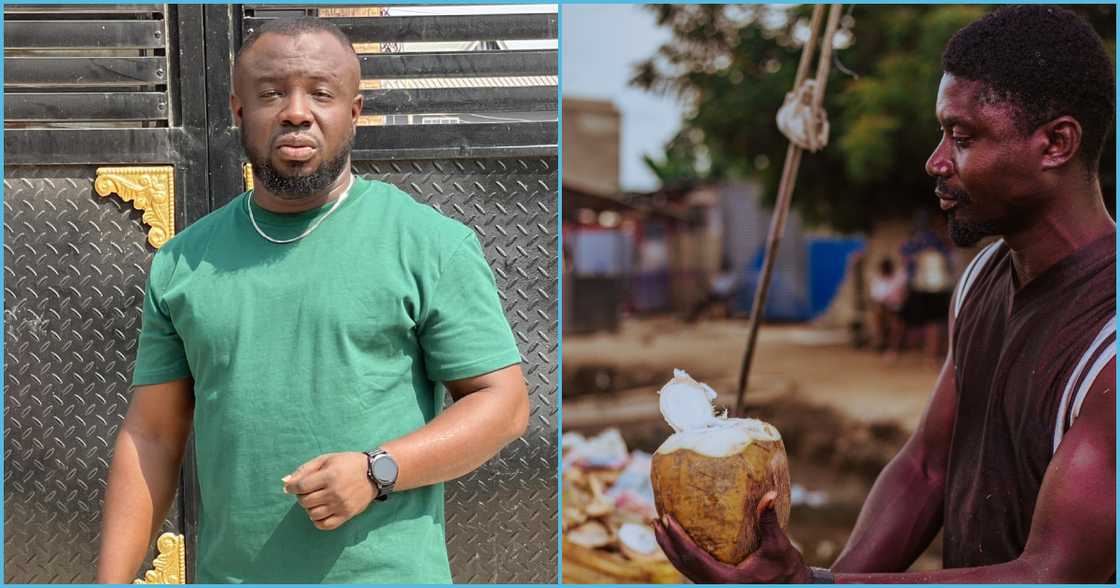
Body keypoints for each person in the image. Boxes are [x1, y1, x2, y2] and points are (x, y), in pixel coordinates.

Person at [654, 5, 1115, 583]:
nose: (936, 162)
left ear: (1056, 144)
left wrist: (811, 584)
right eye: (941, 133)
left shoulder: (1110, 341)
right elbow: (926, 468)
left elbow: (1053, 573)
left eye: (963, 136)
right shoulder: (982, 279)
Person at [96, 18, 530, 584]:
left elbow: (504, 404)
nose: (296, 111)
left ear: (354, 112)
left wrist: (379, 470)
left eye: (321, 93)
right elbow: (152, 436)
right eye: (271, 93)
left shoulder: (428, 244)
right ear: (238, 111)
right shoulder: (182, 263)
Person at [867, 257, 905, 353]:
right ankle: (880, 341)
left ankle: (892, 346)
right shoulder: (877, 280)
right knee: (878, 313)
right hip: (883, 307)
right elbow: (876, 297)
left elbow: (900, 295)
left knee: (893, 321)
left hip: (897, 308)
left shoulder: (899, 277)